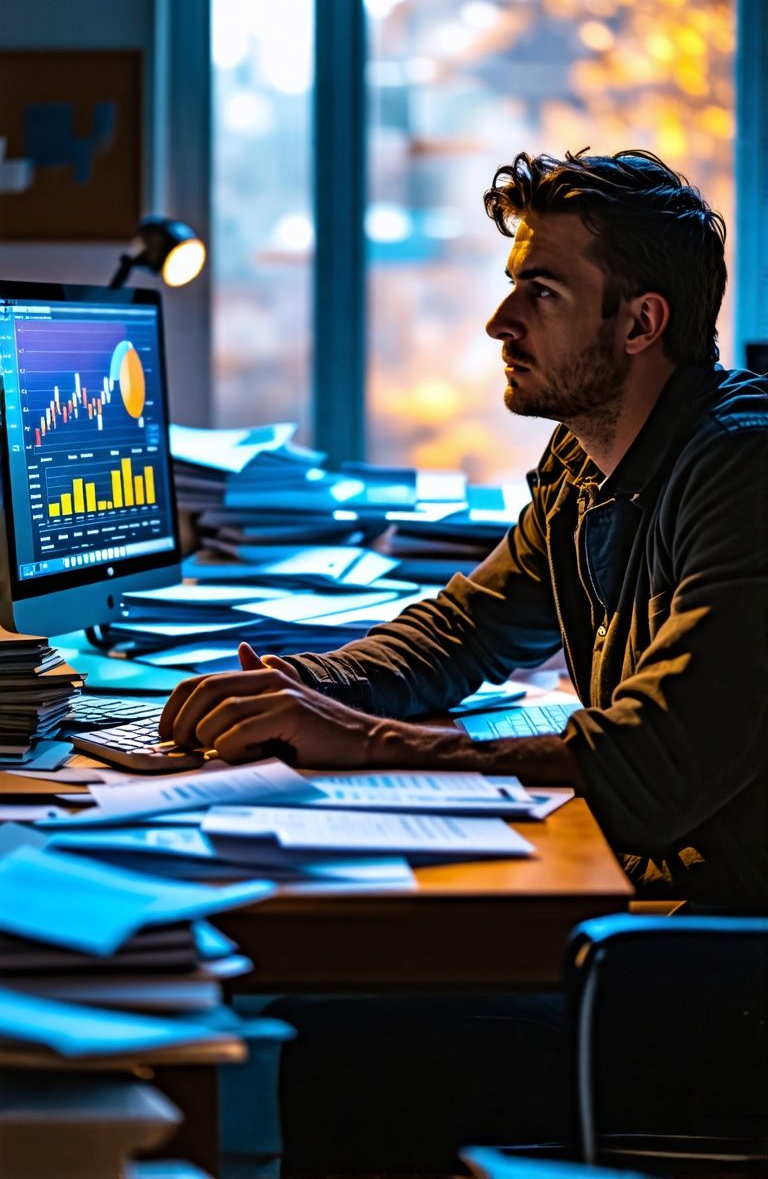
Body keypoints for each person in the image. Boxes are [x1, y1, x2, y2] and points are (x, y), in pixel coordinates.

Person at [160, 149, 767, 1171]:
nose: (499, 323)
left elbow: (654, 767)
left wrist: (372, 743)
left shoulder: (742, 470)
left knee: (344, 1046)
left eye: (542, 290)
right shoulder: (590, 460)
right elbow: (466, 629)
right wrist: (299, 692)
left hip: (715, 978)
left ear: (639, 323)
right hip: (656, 935)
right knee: (334, 1011)